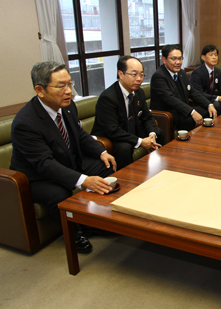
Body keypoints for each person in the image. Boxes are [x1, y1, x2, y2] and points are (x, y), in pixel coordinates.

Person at [11, 62, 117, 254]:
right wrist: (84, 180)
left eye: (70, 84)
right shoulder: (26, 123)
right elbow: (45, 164)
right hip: (36, 177)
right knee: (58, 193)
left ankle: (96, 217)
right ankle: (76, 233)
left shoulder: (67, 107)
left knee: (106, 167)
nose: (69, 91)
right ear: (40, 90)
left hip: (65, 161)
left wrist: (101, 152)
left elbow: (79, 134)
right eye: (61, 86)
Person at [91, 56, 164, 170]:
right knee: (124, 148)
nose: (139, 79)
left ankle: (158, 170)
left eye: (141, 75)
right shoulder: (108, 98)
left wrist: (151, 135)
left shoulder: (138, 92)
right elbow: (112, 130)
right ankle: (127, 181)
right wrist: (140, 141)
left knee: (158, 132)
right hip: (112, 138)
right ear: (121, 74)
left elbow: (147, 117)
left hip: (131, 132)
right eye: (134, 74)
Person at [150, 44, 218, 131]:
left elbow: (193, 92)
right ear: (164, 59)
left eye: (180, 58)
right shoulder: (159, 76)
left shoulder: (181, 73)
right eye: (173, 59)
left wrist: (209, 104)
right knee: (190, 119)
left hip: (181, 110)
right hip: (168, 115)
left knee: (209, 111)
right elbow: (171, 99)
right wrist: (192, 112)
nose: (178, 62)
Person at [189, 45, 221, 115]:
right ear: (203, 57)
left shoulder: (217, 71)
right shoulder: (197, 73)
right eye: (211, 55)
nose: (214, 57)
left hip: (212, 99)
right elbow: (199, 93)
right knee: (216, 105)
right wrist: (218, 98)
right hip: (201, 100)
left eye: (216, 55)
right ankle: (217, 123)